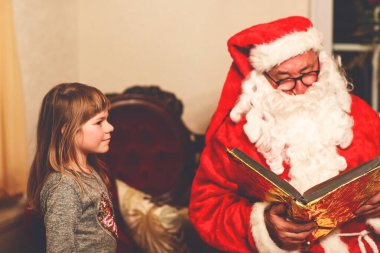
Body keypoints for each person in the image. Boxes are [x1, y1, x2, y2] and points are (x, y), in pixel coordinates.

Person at [189, 16, 380, 253]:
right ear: (262, 79)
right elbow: (207, 208)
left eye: (309, 73)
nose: (300, 88)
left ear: (322, 63)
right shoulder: (234, 133)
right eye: (285, 79)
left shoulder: (360, 113)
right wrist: (264, 224)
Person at [26, 83, 118, 253]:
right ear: (68, 130)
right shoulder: (64, 186)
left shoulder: (90, 171)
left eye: (107, 119)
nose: (110, 127)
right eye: (99, 122)